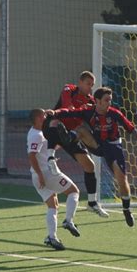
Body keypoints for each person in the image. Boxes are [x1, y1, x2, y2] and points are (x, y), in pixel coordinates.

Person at [46, 87, 137, 227]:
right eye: (106, 100)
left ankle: (126, 208)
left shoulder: (115, 114)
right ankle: (69, 138)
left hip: (113, 147)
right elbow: (70, 112)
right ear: (98, 101)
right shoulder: (88, 112)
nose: (109, 103)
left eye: (110, 100)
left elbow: (131, 128)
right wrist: (55, 112)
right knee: (81, 130)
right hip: (96, 144)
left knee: (121, 179)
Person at [43, 71, 109, 218]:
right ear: (80, 82)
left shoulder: (91, 101)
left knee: (89, 165)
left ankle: (92, 203)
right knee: (55, 122)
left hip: (71, 133)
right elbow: (67, 106)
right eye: (88, 84)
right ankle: (50, 158)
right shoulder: (69, 89)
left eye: (92, 85)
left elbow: (95, 118)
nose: (90, 88)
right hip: (55, 126)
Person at [27, 108, 81, 250]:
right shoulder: (37, 135)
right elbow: (32, 155)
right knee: (73, 191)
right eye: (44, 115)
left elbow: (46, 149)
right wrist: (40, 175)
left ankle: (52, 237)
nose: (46, 117)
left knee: (53, 205)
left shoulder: (39, 133)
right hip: (46, 174)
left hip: (38, 175)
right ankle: (68, 221)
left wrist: (62, 141)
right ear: (39, 118)